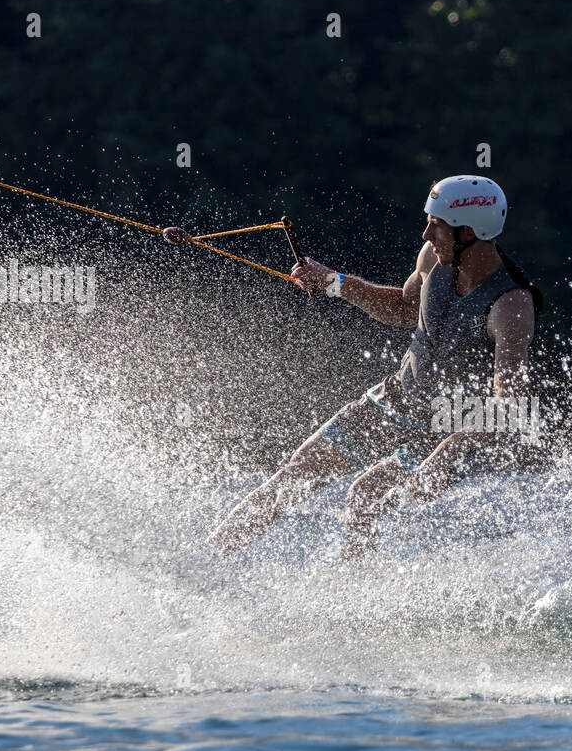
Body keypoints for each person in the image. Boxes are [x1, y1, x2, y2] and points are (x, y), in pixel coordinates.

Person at [183, 175, 539, 559]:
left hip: (444, 428)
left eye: (435, 225)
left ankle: (357, 595)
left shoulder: (511, 306)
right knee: (293, 476)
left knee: (364, 497)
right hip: (395, 400)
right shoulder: (432, 260)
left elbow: (511, 405)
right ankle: (202, 562)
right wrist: (334, 282)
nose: (425, 235)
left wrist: (451, 452)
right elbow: (405, 310)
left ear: (468, 231)